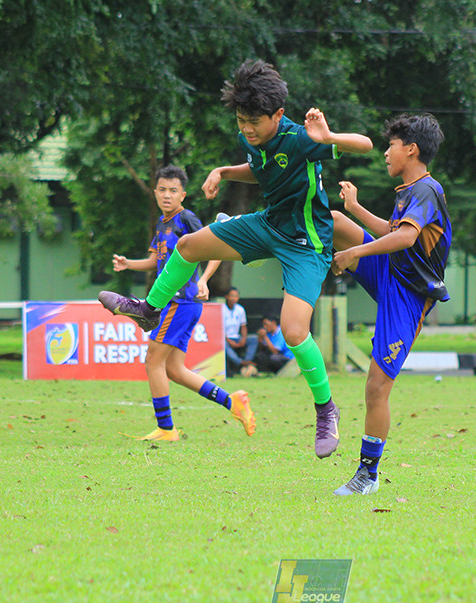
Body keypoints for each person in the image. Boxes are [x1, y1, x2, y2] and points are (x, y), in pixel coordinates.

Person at [98, 59, 373, 458]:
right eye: (241, 119)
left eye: (254, 121)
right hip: (266, 225)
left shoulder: (302, 139)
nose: (246, 128)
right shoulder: (252, 138)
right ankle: (149, 310)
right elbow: (259, 169)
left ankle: (326, 410)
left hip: (306, 243)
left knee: (295, 331)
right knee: (188, 246)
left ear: (278, 115)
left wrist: (329, 135)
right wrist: (225, 171)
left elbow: (363, 144)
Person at [329, 113, 451, 495]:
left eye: (391, 145)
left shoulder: (427, 190)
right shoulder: (410, 190)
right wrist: (355, 209)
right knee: (335, 221)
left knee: (376, 387)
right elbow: (392, 231)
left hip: (409, 295)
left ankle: (368, 474)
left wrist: (355, 253)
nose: (385, 153)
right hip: (390, 272)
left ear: (411, 149)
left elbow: (405, 239)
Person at [99, 165, 256, 441]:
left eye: (173, 190)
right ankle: (234, 403)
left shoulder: (188, 220)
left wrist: (205, 279)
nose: (167, 195)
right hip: (177, 303)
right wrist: (128, 264)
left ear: (183, 194)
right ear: (155, 192)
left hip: (180, 302)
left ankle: (166, 429)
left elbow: (217, 245)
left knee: (152, 361)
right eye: (162, 190)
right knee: (174, 369)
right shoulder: (162, 224)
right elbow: (154, 261)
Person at [223, 286, 258, 377]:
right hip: (225, 338)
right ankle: (241, 363)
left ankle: (247, 360)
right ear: (226, 297)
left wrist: (243, 338)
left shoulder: (240, 309)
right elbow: (219, 328)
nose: (234, 298)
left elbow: (243, 326)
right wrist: (229, 340)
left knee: (254, 339)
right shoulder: (221, 308)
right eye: (232, 296)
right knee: (223, 344)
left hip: (237, 337)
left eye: (236, 296)